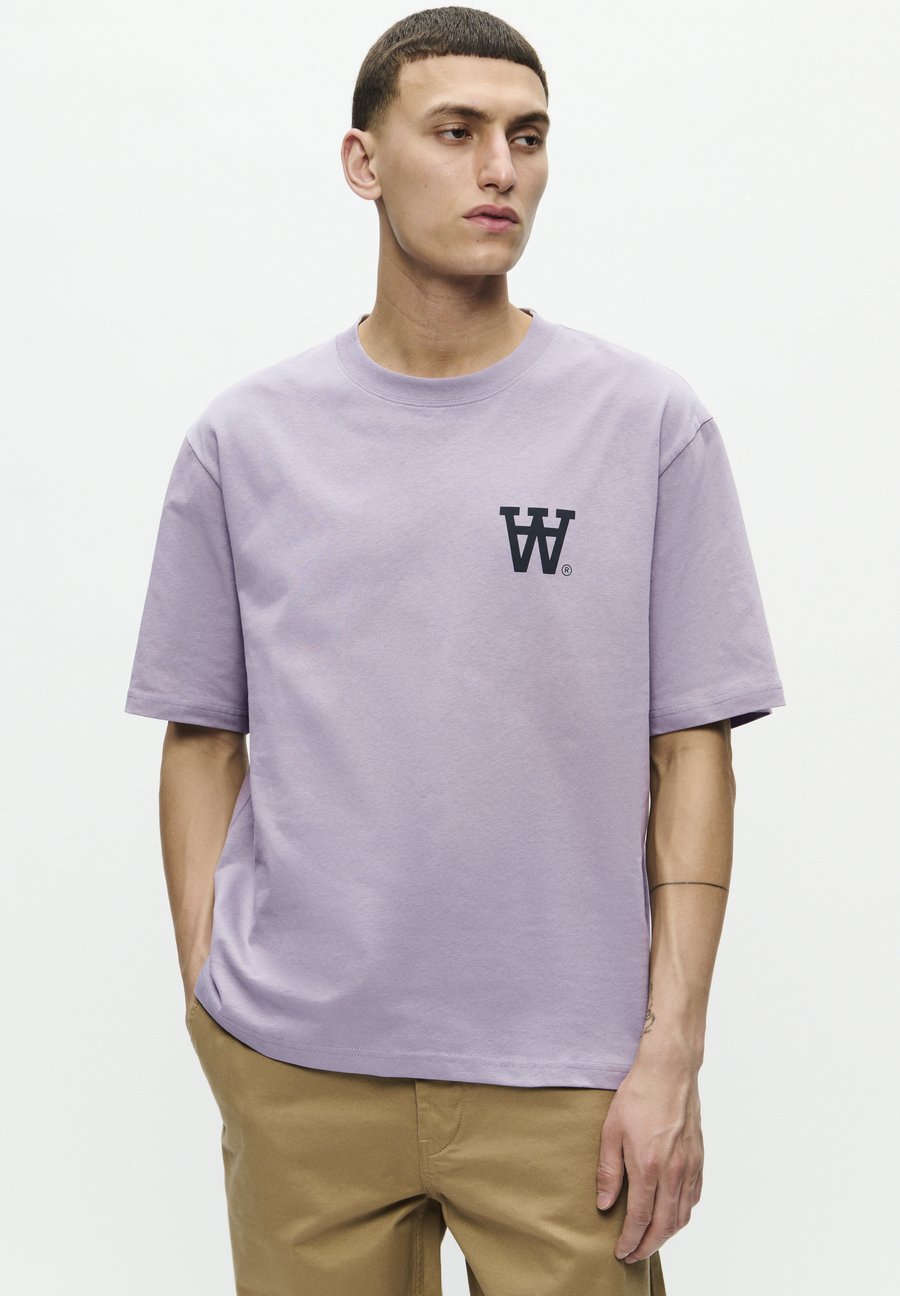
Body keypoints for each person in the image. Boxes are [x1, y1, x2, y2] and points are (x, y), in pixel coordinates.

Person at [124, 7, 786, 1294]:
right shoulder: (244, 441)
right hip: (301, 1065)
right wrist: (214, 991)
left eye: (528, 138)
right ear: (364, 161)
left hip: (567, 1078)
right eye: (457, 131)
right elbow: (202, 736)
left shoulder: (645, 424)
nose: (500, 169)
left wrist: (671, 1050)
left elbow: (692, 748)